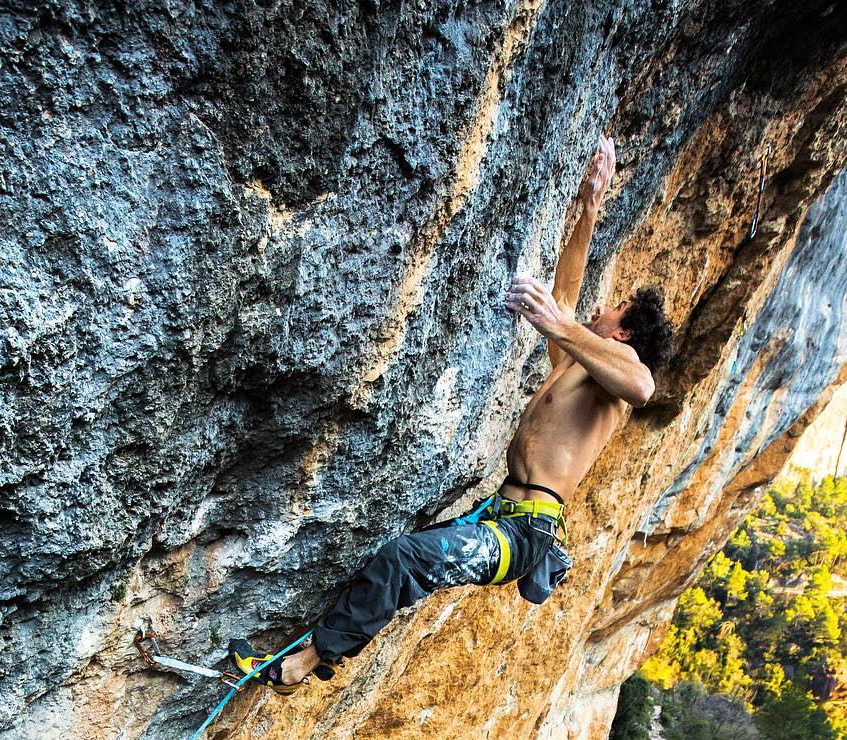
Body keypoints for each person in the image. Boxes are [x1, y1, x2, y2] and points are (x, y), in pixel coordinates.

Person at [229, 135, 674, 692]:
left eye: (616, 308)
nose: (601, 308)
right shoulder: (577, 365)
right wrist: (590, 203)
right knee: (396, 562)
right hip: (503, 517)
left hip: (523, 534)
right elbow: (566, 289)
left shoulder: (619, 365)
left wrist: (561, 327)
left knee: (402, 559)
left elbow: (641, 385)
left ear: (625, 330)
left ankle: (300, 667)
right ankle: (309, 651)